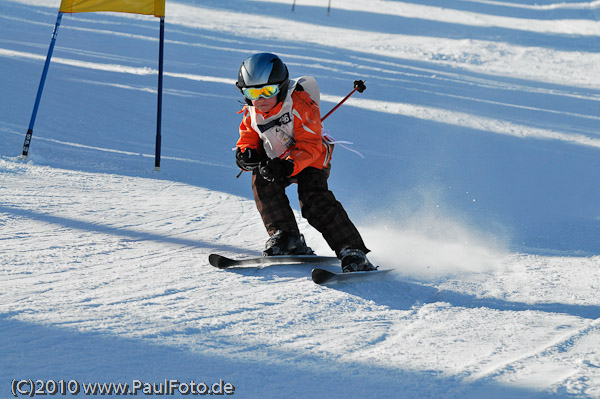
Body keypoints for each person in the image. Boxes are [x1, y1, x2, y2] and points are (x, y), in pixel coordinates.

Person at [234, 52, 376, 273]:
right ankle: (287, 238)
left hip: (312, 160)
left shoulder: (299, 105)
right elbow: (248, 134)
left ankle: (352, 250)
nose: (260, 99)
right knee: (262, 182)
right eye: (252, 92)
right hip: (277, 161)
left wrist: (288, 165)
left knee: (313, 201)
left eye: (267, 91)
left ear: (281, 87)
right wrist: (246, 153)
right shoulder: (253, 111)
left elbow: (311, 146)